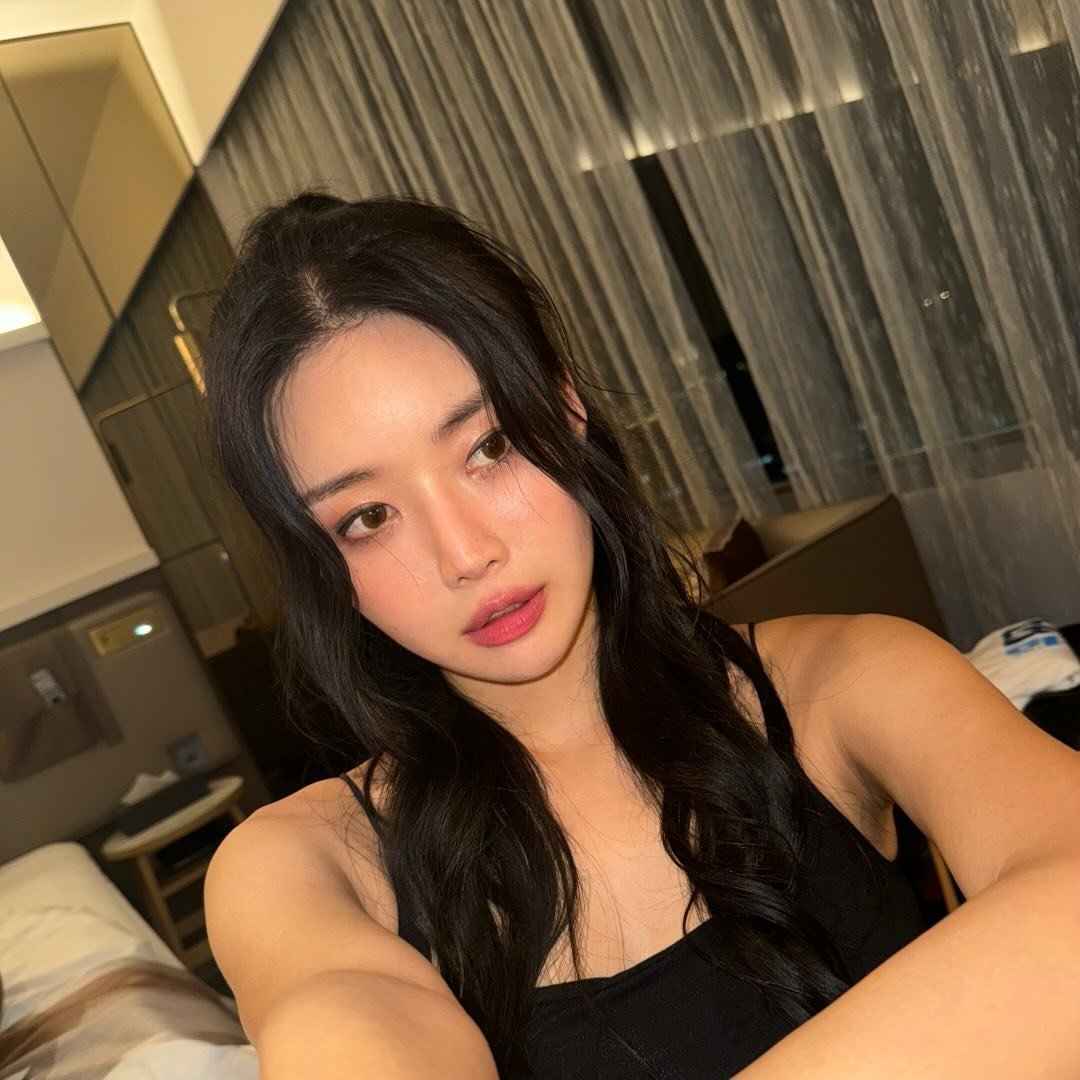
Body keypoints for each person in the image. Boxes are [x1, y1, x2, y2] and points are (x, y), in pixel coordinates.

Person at [203, 193, 1080, 1079]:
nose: (466, 554)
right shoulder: (306, 864)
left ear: (565, 409)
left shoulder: (845, 681)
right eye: (368, 516)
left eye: (489, 446)